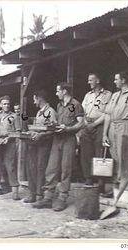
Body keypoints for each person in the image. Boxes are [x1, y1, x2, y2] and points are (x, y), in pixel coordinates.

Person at [33, 82, 84, 211]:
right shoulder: (59, 106)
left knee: (65, 168)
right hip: (57, 139)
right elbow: (58, 122)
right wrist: (54, 124)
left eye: (58, 91)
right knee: (52, 168)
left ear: (64, 91)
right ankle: (48, 197)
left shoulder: (75, 105)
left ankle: (62, 198)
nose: (56, 93)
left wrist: (67, 128)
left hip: (68, 139)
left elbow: (80, 124)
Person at [103, 71, 128, 196]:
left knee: (125, 156)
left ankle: (125, 189)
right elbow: (107, 114)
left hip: (125, 124)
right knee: (115, 155)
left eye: (116, 79)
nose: (114, 81)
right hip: (113, 125)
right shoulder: (115, 95)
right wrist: (104, 134)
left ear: (123, 80)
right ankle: (116, 188)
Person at [24, 90, 57, 203]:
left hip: (44, 143)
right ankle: (32, 194)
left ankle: (39, 195)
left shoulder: (51, 112)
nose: (34, 102)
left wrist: (40, 135)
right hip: (35, 143)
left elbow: (53, 130)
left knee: (41, 168)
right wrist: (32, 133)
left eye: (34, 99)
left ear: (39, 98)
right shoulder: (39, 113)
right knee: (32, 167)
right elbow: (38, 127)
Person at [80, 73, 112, 186]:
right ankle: (88, 178)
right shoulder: (88, 95)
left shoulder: (108, 95)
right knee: (85, 152)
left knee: (100, 152)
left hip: (99, 125)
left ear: (97, 80)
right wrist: (85, 123)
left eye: (91, 80)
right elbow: (81, 111)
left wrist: (94, 124)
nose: (89, 82)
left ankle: (100, 180)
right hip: (87, 125)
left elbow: (107, 113)